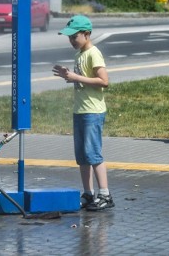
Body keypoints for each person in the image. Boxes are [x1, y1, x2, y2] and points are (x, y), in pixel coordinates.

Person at [52, 15, 114, 211]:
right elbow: (82, 79)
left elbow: (104, 81)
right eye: (69, 37)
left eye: (74, 36)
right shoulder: (79, 55)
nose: (71, 40)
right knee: (82, 156)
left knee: (92, 153)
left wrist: (76, 76)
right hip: (80, 110)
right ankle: (88, 193)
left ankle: (105, 194)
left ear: (87, 34)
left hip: (92, 111)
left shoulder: (93, 53)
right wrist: (69, 75)